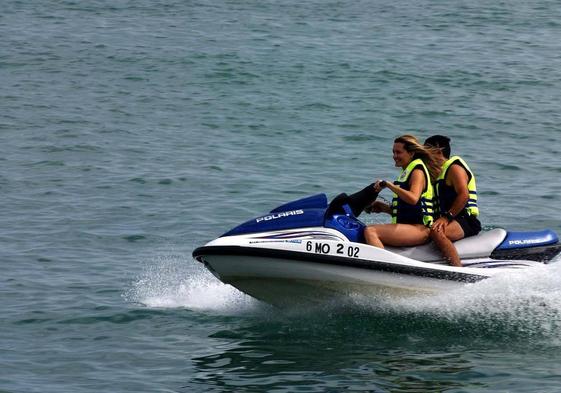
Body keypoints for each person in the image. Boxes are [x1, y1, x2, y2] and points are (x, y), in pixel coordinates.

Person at [364, 135, 440, 248]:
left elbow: (413, 199)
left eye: (398, 152)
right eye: (393, 152)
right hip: (410, 226)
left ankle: (382, 265)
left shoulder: (417, 172)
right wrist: (384, 208)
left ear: (411, 153)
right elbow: (408, 210)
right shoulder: (406, 173)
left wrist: (390, 185)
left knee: (370, 231)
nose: (394, 156)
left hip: (420, 229)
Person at [424, 135, 481, 267]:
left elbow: (464, 195)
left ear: (438, 151)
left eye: (426, 151)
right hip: (451, 220)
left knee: (436, 231)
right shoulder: (438, 174)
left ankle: (458, 270)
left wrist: (446, 218)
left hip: (465, 220)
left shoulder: (455, 168)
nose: (424, 156)